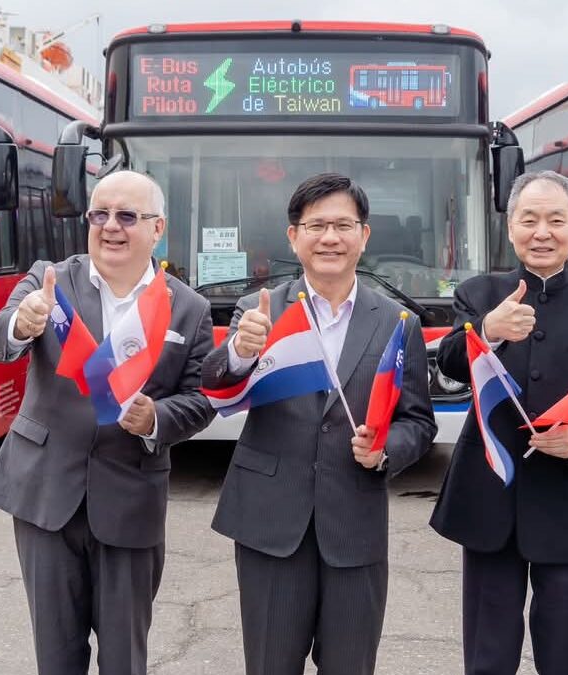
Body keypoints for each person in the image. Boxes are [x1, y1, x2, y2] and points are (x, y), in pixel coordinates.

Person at [0, 170, 215, 675]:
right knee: (57, 654)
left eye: (127, 216)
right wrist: (21, 323)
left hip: (130, 496)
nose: (111, 226)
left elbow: (201, 399)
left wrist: (157, 417)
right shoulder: (49, 279)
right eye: (99, 214)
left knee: (125, 657)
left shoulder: (187, 308)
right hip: (45, 493)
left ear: (157, 229)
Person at [202, 172, 437, 675]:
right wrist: (242, 353)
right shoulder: (258, 311)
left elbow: (418, 420)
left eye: (343, 225)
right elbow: (218, 389)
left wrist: (386, 450)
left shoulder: (398, 322)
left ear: (364, 235)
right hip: (270, 521)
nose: (330, 237)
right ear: (294, 236)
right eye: (316, 225)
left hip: (354, 524)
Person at [429, 170, 568, 675]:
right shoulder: (480, 293)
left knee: (566, 657)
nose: (541, 232)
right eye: (529, 220)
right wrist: (488, 329)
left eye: (555, 220)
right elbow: (449, 362)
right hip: (489, 498)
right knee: (487, 656)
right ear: (511, 229)